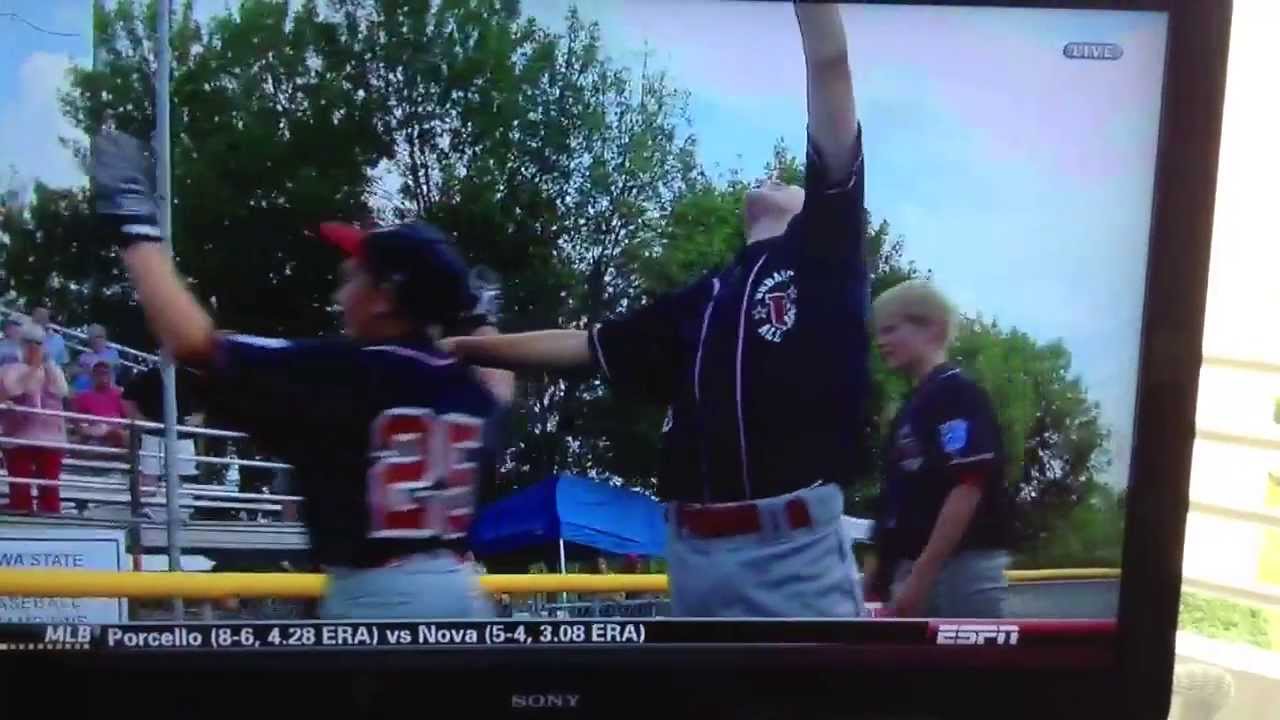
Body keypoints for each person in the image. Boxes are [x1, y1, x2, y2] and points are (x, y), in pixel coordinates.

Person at [447, 1, 867, 618]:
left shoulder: (822, 259)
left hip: (792, 556)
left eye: (792, 178)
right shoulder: (704, 300)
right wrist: (463, 348)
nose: (776, 174)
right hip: (693, 558)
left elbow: (831, 66)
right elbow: (586, 345)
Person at [91, 128, 501, 619]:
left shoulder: (345, 371)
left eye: (353, 278)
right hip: (460, 593)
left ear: (387, 296)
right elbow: (500, 389)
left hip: (377, 599)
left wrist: (135, 227)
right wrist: (480, 317)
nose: (339, 293)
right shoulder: (466, 388)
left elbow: (193, 342)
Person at [864, 279, 1014, 618]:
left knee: (966, 668)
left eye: (890, 330)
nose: (880, 342)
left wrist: (921, 577)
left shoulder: (956, 392)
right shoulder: (911, 407)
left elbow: (968, 485)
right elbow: (896, 504)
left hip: (959, 567)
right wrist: (878, 577)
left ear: (931, 329)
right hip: (912, 567)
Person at [1, 323, 70, 514]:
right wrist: (33, 369)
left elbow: (62, 391)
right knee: (19, 485)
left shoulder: (53, 370)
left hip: (50, 436)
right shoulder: (10, 369)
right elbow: (14, 390)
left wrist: (44, 366)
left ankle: (49, 514)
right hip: (18, 435)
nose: (34, 348)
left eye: (38, 343)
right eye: (30, 343)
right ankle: (21, 507)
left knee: (49, 486)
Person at [73, 360, 129, 448]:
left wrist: (110, 429)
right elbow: (79, 424)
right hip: (93, 436)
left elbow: (127, 421)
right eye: (99, 373)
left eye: (105, 373)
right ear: (93, 376)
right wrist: (93, 429)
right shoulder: (83, 397)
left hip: (116, 435)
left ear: (111, 375)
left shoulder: (120, 395)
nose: (102, 376)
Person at [71, 324, 122, 393]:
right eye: (92, 338)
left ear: (105, 338)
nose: (97, 340)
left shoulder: (112, 353)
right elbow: (72, 371)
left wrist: (93, 369)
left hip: (98, 392)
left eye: (99, 337)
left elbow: (111, 371)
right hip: (79, 391)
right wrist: (83, 370)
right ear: (90, 340)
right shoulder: (84, 356)